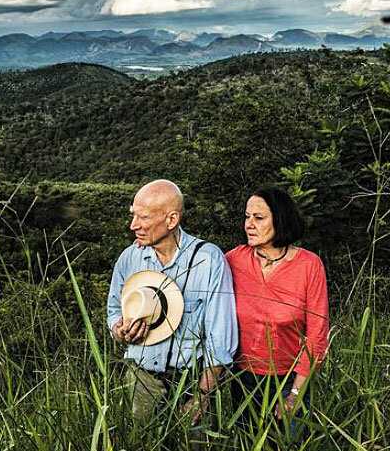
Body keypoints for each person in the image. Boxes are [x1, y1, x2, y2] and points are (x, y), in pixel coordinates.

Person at [107, 179, 237, 422]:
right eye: (133, 215)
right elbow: (114, 310)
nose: (133, 225)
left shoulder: (209, 260)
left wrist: (202, 395)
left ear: (172, 220)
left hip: (193, 381)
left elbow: (221, 337)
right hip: (141, 379)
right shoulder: (129, 258)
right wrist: (120, 331)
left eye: (143, 218)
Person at [225, 186, 329, 426]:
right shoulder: (233, 259)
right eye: (247, 216)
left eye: (258, 218)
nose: (249, 224)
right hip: (242, 379)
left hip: (290, 379)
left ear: (280, 220)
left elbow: (317, 335)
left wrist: (295, 394)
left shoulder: (308, 265)